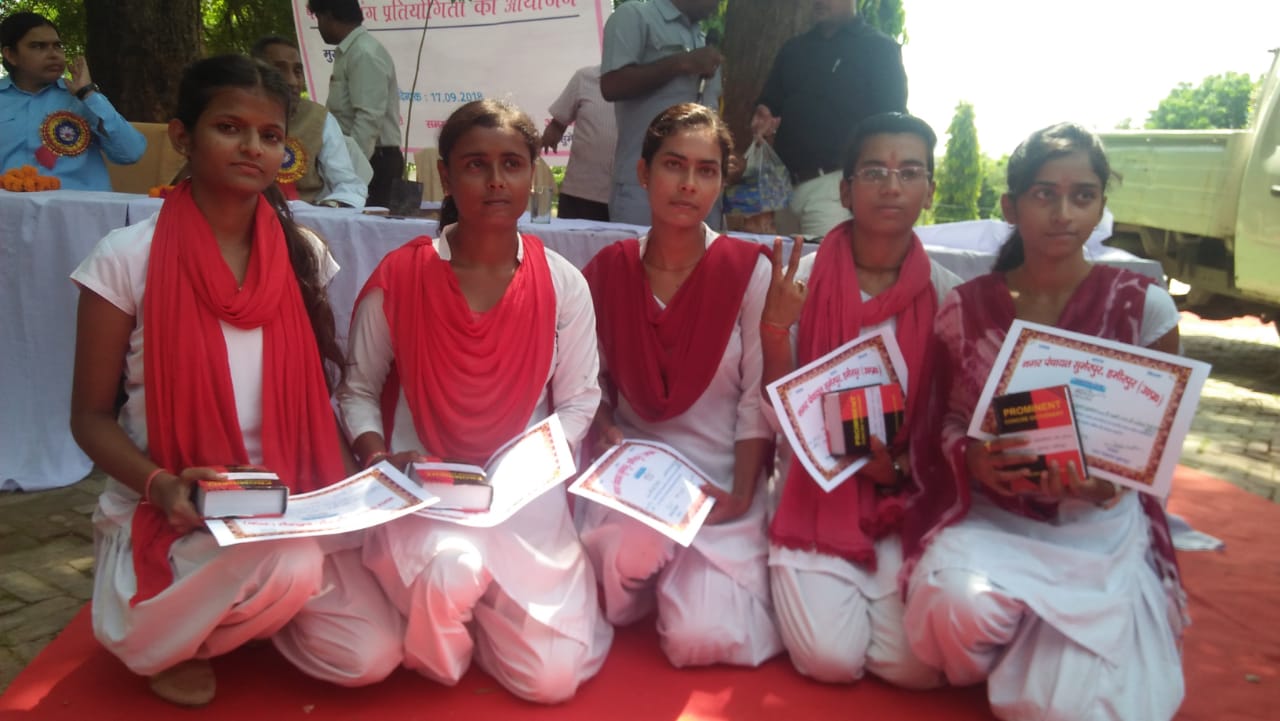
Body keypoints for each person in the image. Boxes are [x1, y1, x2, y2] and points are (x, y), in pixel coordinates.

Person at [68, 54, 402, 707]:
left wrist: (355, 491)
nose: (253, 147)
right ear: (182, 137)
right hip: (176, 506)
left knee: (369, 656)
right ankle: (175, 635)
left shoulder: (304, 253)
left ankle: (248, 607)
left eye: (270, 135)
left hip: (284, 501)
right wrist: (162, 486)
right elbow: (88, 417)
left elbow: (313, 397)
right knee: (291, 563)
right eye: (229, 128)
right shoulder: (125, 258)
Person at [901, 123, 1186, 721]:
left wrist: (1106, 485)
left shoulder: (1143, 307)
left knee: (1064, 711)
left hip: (1094, 530)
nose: (1063, 214)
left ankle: (1042, 638)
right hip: (994, 516)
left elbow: (1153, 443)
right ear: (1011, 207)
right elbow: (945, 419)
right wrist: (973, 458)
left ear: (1101, 206)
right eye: (1044, 195)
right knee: (952, 608)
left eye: (1083, 196)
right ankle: (1018, 632)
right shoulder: (967, 306)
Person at [338, 99, 613, 704]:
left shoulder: (563, 283)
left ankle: (486, 616)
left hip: (524, 497)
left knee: (550, 682)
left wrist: (523, 468)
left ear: (533, 174)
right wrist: (378, 457)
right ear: (444, 175)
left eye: (511, 164)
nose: (495, 180)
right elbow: (358, 389)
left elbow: (578, 403)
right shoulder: (401, 276)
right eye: (475, 165)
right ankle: (452, 638)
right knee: (450, 572)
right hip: (424, 491)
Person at [578, 103, 781, 668]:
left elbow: (755, 397)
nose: (689, 184)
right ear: (644, 173)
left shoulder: (748, 270)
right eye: (674, 165)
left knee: (701, 639)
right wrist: (605, 428)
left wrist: (741, 493)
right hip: (634, 479)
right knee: (630, 555)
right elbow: (589, 385)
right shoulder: (609, 270)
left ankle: (679, 583)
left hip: (720, 482)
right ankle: (646, 583)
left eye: (706, 170)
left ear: (720, 181)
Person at [759, 112, 958, 687]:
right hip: (813, 484)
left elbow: (951, 419)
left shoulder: (948, 295)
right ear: (846, 191)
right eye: (874, 171)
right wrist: (775, 330)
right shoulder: (800, 280)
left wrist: (897, 467)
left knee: (916, 668)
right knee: (831, 660)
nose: (892, 186)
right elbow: (773, 411)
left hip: (901, 491)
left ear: (929, 190)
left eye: (909, 172)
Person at [751, 0, 907, 238]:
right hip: (782, 189)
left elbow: (892, 126)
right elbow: (769, 102)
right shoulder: (793, 49)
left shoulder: (879, 49)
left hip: (836, 189)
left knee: (826, 262)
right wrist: (763, 116)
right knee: (783, 262)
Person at [600, 0, 723, 226]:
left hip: (701, 187)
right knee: (639, 250)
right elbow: (612, 84)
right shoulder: (635, 16)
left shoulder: (702, 39)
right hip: (644, 187)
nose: (718, 4)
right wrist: (682, 63)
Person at [0, 11, 145, 191]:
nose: (53, 54)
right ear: (11, 55)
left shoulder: (82, 99)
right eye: (38, 46)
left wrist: (88, 94)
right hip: (10, 205)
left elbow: (131, 153)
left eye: (58, 46)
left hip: (79, 205)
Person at [252, 35, 368, 208]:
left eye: (298, 72)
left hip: (307, 216)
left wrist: (330, 206)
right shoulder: (238, 116)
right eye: (279, 70)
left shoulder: (319, 118)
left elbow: (348, 184)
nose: (292, 81)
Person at [308, 0, 403, 207]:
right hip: (361, 159)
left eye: (318, 18)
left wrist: (349, 171)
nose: (319, 26)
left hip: (371, 162)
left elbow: (369, 119)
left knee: (364, 225)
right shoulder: (351, 51)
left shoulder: (364, 52)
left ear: (328, 16)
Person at [540, 65, 616, 222]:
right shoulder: (585, 78)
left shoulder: (652, 83)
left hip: (630, 198)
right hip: (580, 193)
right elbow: (558, 123)